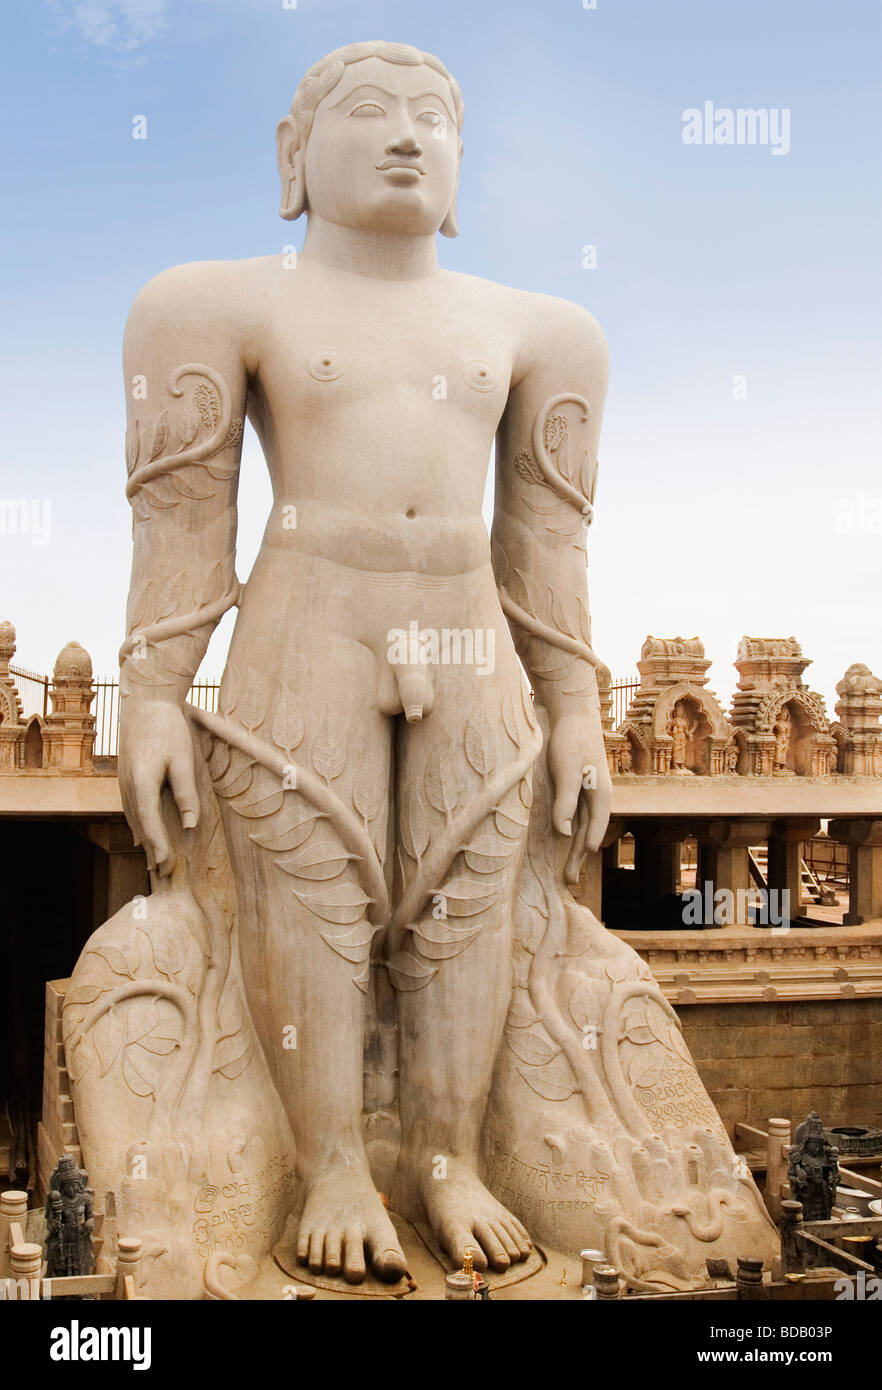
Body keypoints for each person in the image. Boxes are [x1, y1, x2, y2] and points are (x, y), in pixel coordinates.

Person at [118, 40, 611, 1284]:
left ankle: (449, 1159)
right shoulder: (219, 301)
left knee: (470, 881)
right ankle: (332, 1158)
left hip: (465, 623)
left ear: (460, 168)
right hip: (310, 612)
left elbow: (546, 541)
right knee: (312, 879)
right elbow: (184, 518)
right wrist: (153, 694)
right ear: (295, 156)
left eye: (433, 119)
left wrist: (577, 705)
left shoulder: (543, 328)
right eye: (370, 113)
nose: (406, 136)